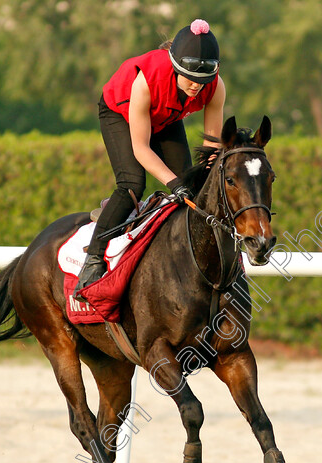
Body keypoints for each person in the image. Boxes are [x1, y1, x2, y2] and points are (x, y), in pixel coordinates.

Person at [74, 18, 226, 299]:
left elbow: (211, 146)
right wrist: (173, 183)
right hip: (119, 111)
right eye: (190, 79)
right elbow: (141, 149)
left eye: (202, 81)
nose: (196, 87)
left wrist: (196, 183)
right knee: (132, 183)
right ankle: (93, 259)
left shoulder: (215, 87)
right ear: (174, 67)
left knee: (192, 188)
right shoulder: (147, 81)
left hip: (164, 117)